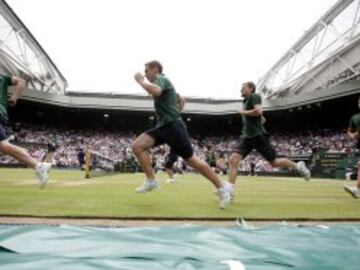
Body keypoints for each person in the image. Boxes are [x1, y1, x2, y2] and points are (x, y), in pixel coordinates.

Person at [132, 60, 231, 209]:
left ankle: (222, 187)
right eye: (144, 72)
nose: (145, 74)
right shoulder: (164, 82)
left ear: (155, 69)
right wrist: (176, 110)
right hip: (162, 126)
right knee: (137, 146)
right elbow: (181, 99)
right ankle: (151, 181)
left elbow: (156, 91)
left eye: (146, 71)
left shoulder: (162, 79)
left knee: (191, 160)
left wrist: (140, 81)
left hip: (172, 126)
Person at [227, 81, 311, 199]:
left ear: (251, 88)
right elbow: (262, 119)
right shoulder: (245, 101)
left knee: (274, 162)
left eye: (243, 87)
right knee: (233, 159)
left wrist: (243, 112)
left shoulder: (254, 96)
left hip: (258, 136)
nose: (241, 89)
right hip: (246, 137)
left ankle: (298, 166)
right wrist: (254, 121)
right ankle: (229, 191)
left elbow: (259, 111)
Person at [0, 74, 51, 188]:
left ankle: (38, 165)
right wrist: (14, 97)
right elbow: (22, 81)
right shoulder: (3, 77)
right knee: (3, 145)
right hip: (2, 114)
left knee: (2, 145)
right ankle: (37, 165)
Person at [344, 96, 360, 198]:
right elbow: (349, 131)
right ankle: (358, 190)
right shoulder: (354, 117)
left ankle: (358, 190)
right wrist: (353, 135)